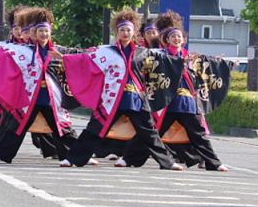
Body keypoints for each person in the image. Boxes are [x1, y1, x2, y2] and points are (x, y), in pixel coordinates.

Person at [61, 9, 185, 170]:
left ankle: (168, 162)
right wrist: (64, 57)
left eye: (128, 30)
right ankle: (72, 159)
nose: (125, 33)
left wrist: (181, 58)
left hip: (136, 99)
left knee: (150, 133)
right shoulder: (107, 51)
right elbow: (85, 58)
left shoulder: (143, 52)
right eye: (122, 30)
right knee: (94, 129)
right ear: (117, 32)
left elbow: (167, 57)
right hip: (112, 99)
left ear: (133, 33)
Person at [0, 7, 82, 164]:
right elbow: (0, 55)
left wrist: (66, 58)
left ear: (50, 32)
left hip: (51, 98)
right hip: (31, 97)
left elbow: (82, 56)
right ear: (33, 33)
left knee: (61, 128)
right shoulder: (24, 51)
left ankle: (76, 156)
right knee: (16, 127)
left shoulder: (58, 51)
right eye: (40, 31)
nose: (43, 34)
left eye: (46, 31)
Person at [121, 10, 230, 171]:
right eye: (173, 37)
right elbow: (142, 60)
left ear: (184, 40)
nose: (176, 39)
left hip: (187, 103)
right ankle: (127, 159)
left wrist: (220, 63)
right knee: (153, 132)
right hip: (168, 103)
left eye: (179, 36)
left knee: (198, 135)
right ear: (167, 40)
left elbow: (208, 68)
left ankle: (214, 162)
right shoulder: (160, 54)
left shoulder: (192, 58)